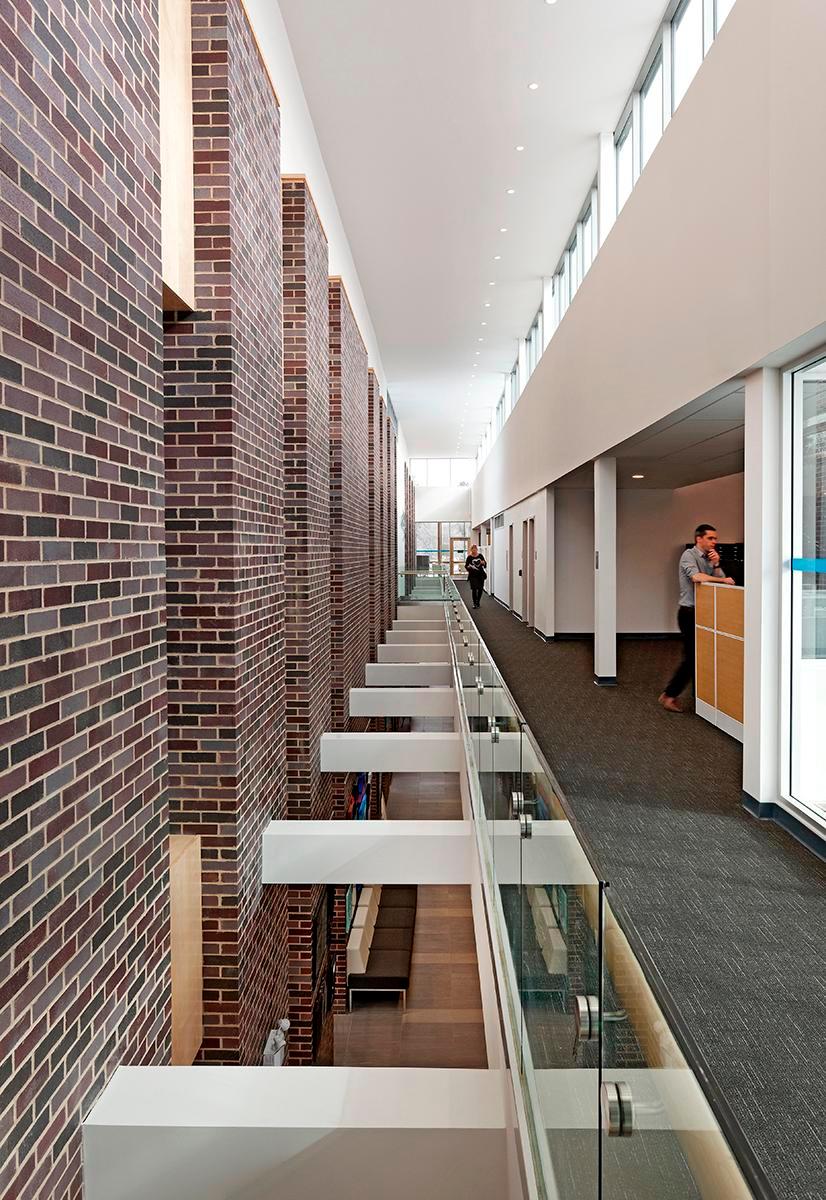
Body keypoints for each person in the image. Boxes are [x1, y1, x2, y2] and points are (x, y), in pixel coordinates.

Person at [659, 524, 735, 713]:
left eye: (715, 538)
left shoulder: (710, 559)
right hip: (688, 613)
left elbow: (721, 583)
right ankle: (669, 695)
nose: (714, 542)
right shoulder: (689, 556)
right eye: (710, 538)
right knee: (692, 657)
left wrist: (717, 565)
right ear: (698, 539)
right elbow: (697, 578)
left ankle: (690, 695)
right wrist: (722, 580)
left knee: (699, 656)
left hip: (705, 613)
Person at [465, 544, 487, 609]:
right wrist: (468, 567)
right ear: (471, 550)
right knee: (474, 589)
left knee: (480, 589)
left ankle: (478, 602)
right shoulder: (469, 557)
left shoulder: (480, 556)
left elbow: (484, 563)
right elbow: (466, 565)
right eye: (472, 549)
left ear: (477, 549)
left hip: (480, 575)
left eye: (475, 549)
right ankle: (474, 603)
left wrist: (483, 563)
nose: (474, 550)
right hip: (472, 575)